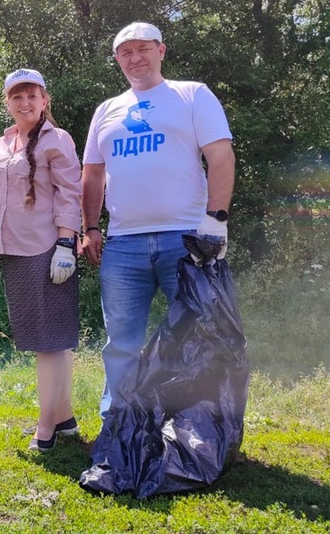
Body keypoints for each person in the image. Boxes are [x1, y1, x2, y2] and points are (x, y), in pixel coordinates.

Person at [80, 22, 236, 417]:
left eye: (143, 49)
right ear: (117, 59)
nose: (135, 58)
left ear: (161, 50)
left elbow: (220, 156)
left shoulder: (191, 94)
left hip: (186, 241)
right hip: (123, 245)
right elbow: (92, 174)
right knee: (121, 343)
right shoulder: (106, 110)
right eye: (125, 52)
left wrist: (216, 221)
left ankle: (199, 427)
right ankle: (118, 425)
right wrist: (92, 228)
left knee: (197, 335)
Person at [0, 68, 82, 452]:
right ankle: (64, 415)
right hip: (13, 252)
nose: (25, 103)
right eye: (17, 96)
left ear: (44, 100)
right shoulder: (0, 145)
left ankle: (46, 427)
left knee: (50, 342)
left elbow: (71, 193)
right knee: (45, 339)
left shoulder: (58, 139)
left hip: (47, 251)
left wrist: (66, 245)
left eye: (32, 95)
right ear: (7, 102)